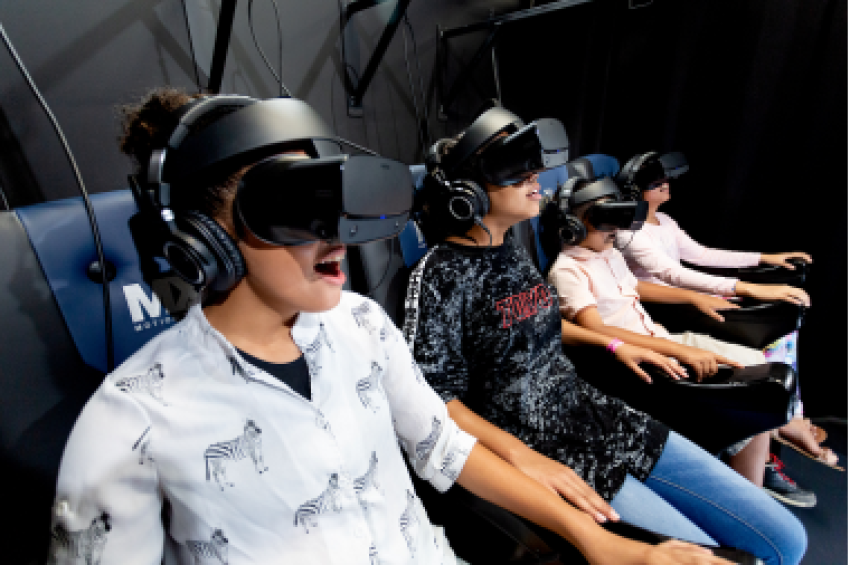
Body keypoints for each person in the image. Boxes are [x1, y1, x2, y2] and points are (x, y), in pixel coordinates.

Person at [45, 88, 730, 565]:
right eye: (293, 208)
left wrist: (601, 541)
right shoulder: (128, 423)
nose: (333, 235)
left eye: (331, 204)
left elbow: (446, 448)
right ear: (201, 240)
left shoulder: (362, 327)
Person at [405, 107, 807, 565]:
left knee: (786, 541)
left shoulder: (511, 254)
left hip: (597, 414)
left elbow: (541, 321)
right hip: (544, 447)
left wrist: (615, 343)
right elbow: (435, 397)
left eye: (534, 168)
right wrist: (521, 458)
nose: (536, 178)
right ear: (469, 191)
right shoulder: (439, 274)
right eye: (517, 171)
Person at [547, 177, 822, 507]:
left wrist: (690, 298)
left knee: (757, 361)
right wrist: (679, 349)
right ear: (574, 226)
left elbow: (635, 286)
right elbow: (596, 329)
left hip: (663, 338)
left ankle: (762, 466)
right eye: (607, 222)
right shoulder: (568, 270)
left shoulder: (608, 254)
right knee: (754, 394)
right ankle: (751, 500)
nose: (616, 231)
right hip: (650, 360)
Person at [613, 152, 835, 470]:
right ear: (638, 191)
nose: (667, 187)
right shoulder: (628, 230)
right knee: (770, 327)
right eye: (658, 183)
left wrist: (765, 258)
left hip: (689, 298)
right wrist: (744, 288)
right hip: (668, 308)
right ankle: (783, 423)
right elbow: (670, 274)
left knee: (785, 330)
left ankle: (788, 416)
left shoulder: (666, 222)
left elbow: (704, 254)